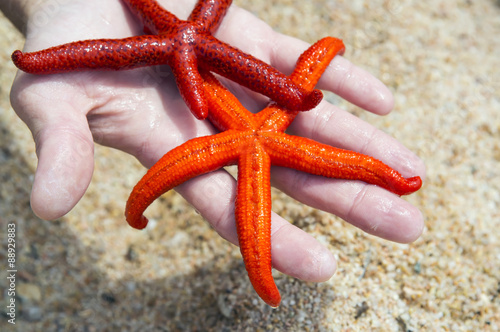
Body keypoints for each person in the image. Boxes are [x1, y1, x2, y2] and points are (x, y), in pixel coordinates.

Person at [1, 0, 425, 284]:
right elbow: (284, 87)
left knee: (347, 153)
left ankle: (393, 176)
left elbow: (297, 82)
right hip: (233, 101)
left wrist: (305, 78)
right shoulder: (195, 53)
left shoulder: (204, 64)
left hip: (240, 113)